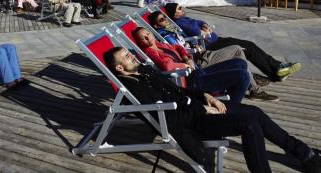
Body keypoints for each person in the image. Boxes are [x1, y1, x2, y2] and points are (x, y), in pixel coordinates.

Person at [104, 46, 321, 173]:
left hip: (199, 108)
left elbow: (180, 92)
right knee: (249, 124)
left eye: (128, 53)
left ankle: (305, 154)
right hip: (192, 122)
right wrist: (203, 110)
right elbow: (171, 120)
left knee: (255, 112)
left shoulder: (146, 72)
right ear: (120, 68)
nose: (131, 55)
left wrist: (205, 96)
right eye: (125, 57)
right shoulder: (135, 88)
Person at [147, 11, 279, 101]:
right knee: (238, 51)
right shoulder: (165, 37)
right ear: (155, 25)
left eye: (164, 17)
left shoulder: (171, 30)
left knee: (239, 52)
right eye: (161, 19)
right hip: (199, 62)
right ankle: (254, 88)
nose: (165, 20)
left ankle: (251, 82)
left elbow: (179, 47)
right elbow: (175, 55)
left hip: (201, 54)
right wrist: (190, 54)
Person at [164, 2, 301, 82]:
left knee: (249, 46)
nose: (183, 9)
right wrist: (201, 29)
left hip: (217, 40)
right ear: (174, 14)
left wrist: (204, 24)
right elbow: (194, 29)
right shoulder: (180, 22)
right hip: (213, 46)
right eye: (179, 8)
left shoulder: (184, 18)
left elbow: (198, 22)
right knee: (249, 48)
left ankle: (276, 70)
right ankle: (276, 70)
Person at [132, 27, 250, 104]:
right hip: (191, 81)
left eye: (148, 33)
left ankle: (226, 94)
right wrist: (184, 65)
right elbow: (167, 66)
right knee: (243, 75)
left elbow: (178, 47)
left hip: (197, 72)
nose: (148, 37)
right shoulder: (150, 52)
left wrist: (186, 58)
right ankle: (232, 108)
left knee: (240, 63)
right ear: (140, 42)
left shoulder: (160, 44)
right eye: (143, 38)